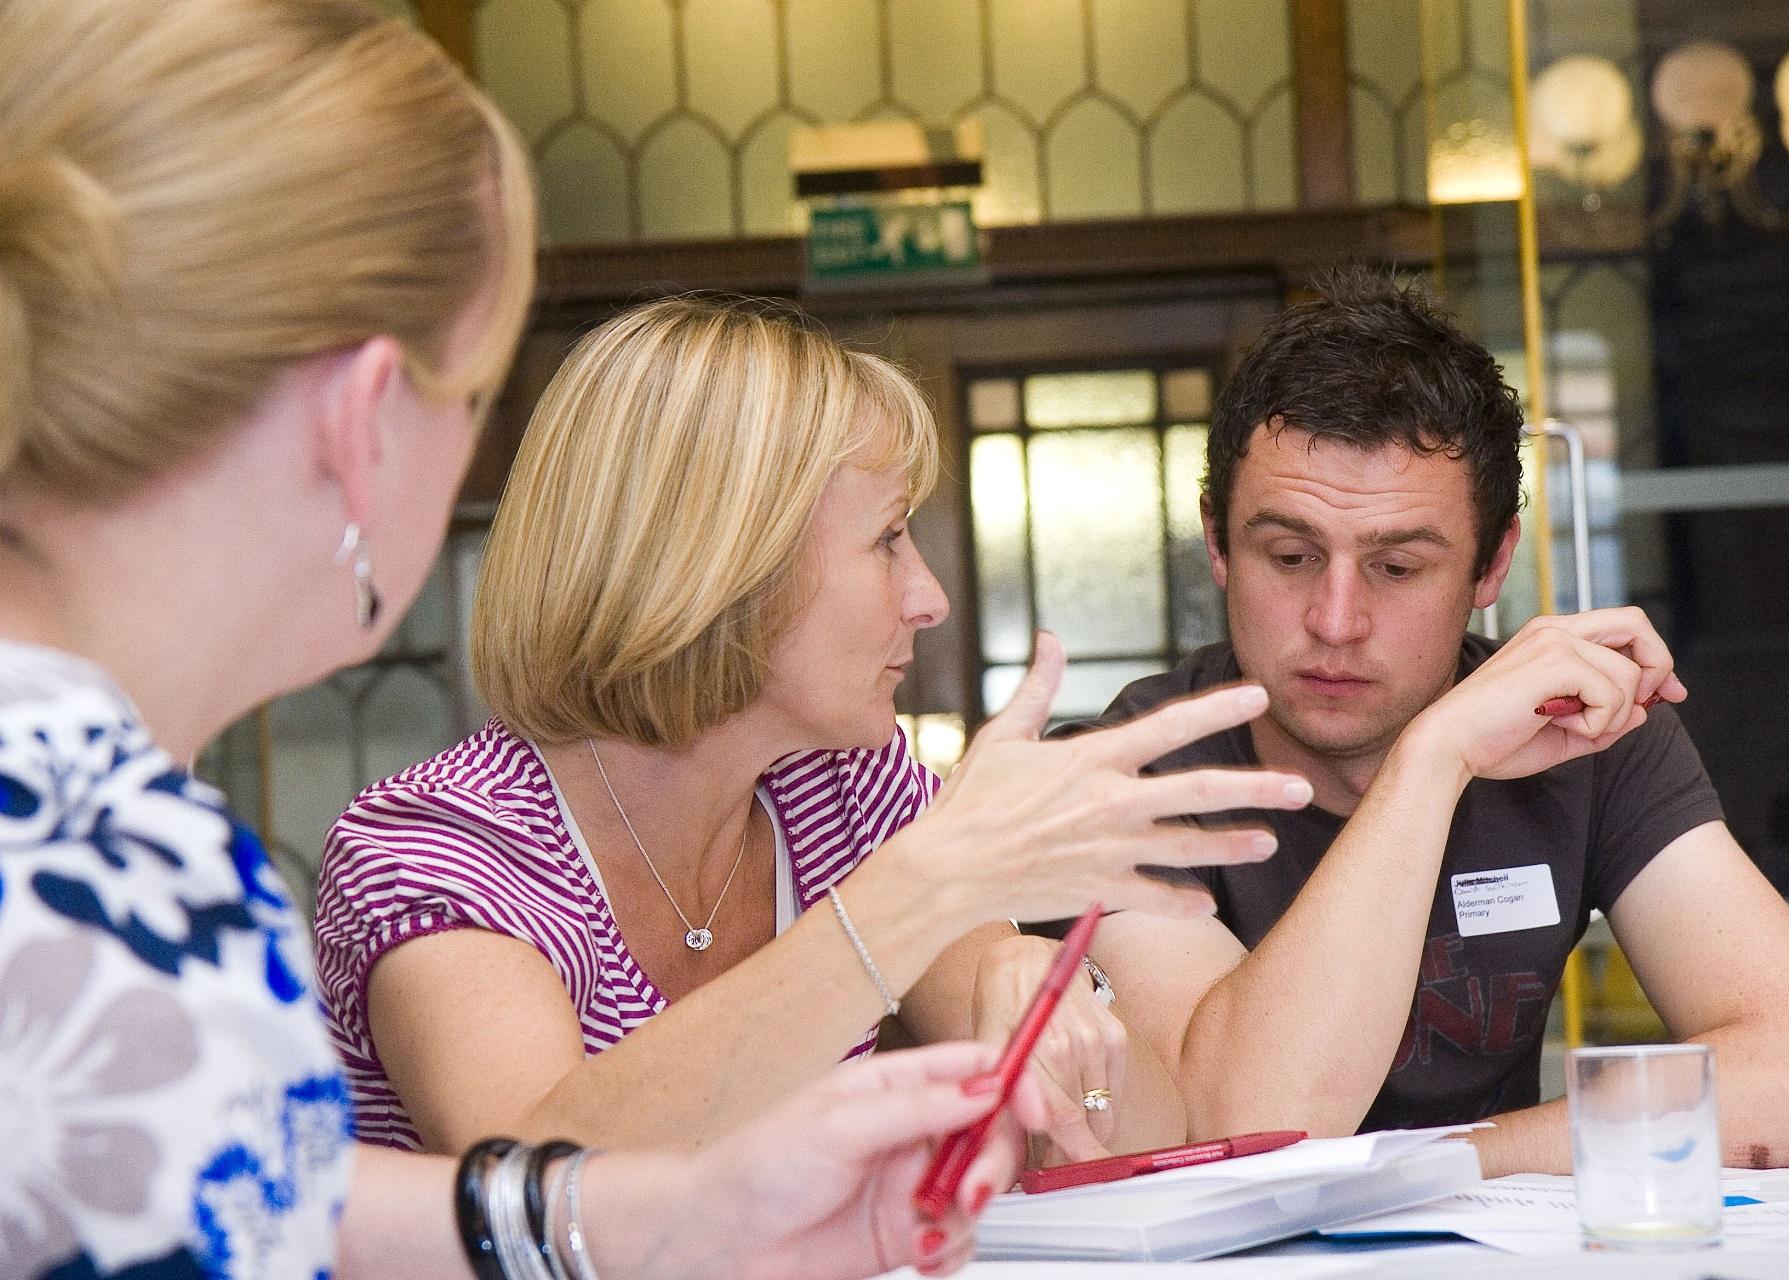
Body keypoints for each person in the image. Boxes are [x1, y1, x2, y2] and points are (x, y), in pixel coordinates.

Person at [0, 1, 1104, 1275]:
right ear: (364, 420)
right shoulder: (107, 851)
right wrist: (931, 882)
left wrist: (689, 1213)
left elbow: (248, 1194)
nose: (925, 595)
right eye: (467, 400)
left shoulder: (105, 811)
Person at [316, 298, 1312, 1168]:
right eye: (886, 538)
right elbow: (538, 1187)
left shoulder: (844, 786)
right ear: (718, 569)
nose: (927, 597)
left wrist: (1051, 991)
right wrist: (917, 894)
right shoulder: (434, 843)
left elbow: (1146, 1135)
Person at [1057, 268, 1789, 1177]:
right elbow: (1232, 1129)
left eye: (1397, 568)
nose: (1335, 620)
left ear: (1491, 568)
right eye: (1288, 556)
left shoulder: (1582, 733)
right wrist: (1431, 762)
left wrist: (1450, 1162)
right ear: (1216, 541)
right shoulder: (1126, 775)